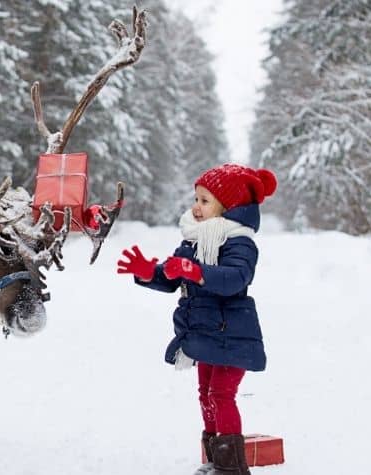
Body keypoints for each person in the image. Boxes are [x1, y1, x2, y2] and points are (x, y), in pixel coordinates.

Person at [117, 164, 277, 475]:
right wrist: (150, 273)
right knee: (205, 394)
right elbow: (173, 273)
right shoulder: (193, 240)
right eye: (196, 199)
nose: (196, 207)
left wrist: (198, 273)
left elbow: (235, 278)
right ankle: (214, 459)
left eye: (205, 201)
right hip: (205, 332)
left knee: (221, 393)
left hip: (233, 333)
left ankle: (231, 468)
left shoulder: (239, 242)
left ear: (227, 206)